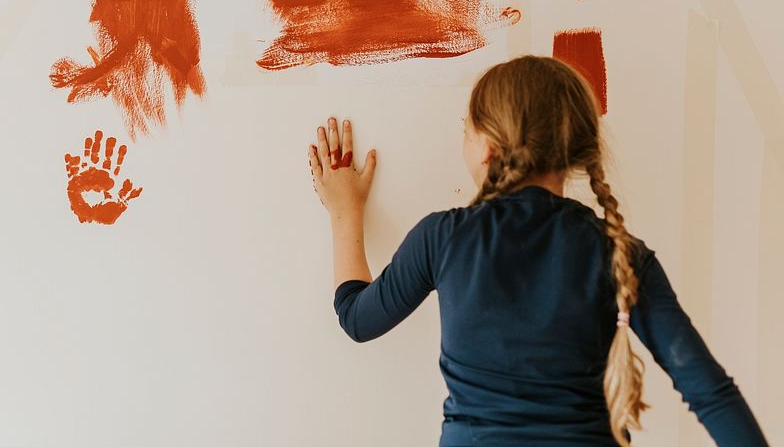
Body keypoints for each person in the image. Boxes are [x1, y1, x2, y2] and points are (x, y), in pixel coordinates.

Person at [307, 55, 768, 446]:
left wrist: (344, 211)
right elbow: (711, 393)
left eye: (464, 128)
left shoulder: (443, 238)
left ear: (486, 146)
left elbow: (357, 318)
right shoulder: (621, 253)